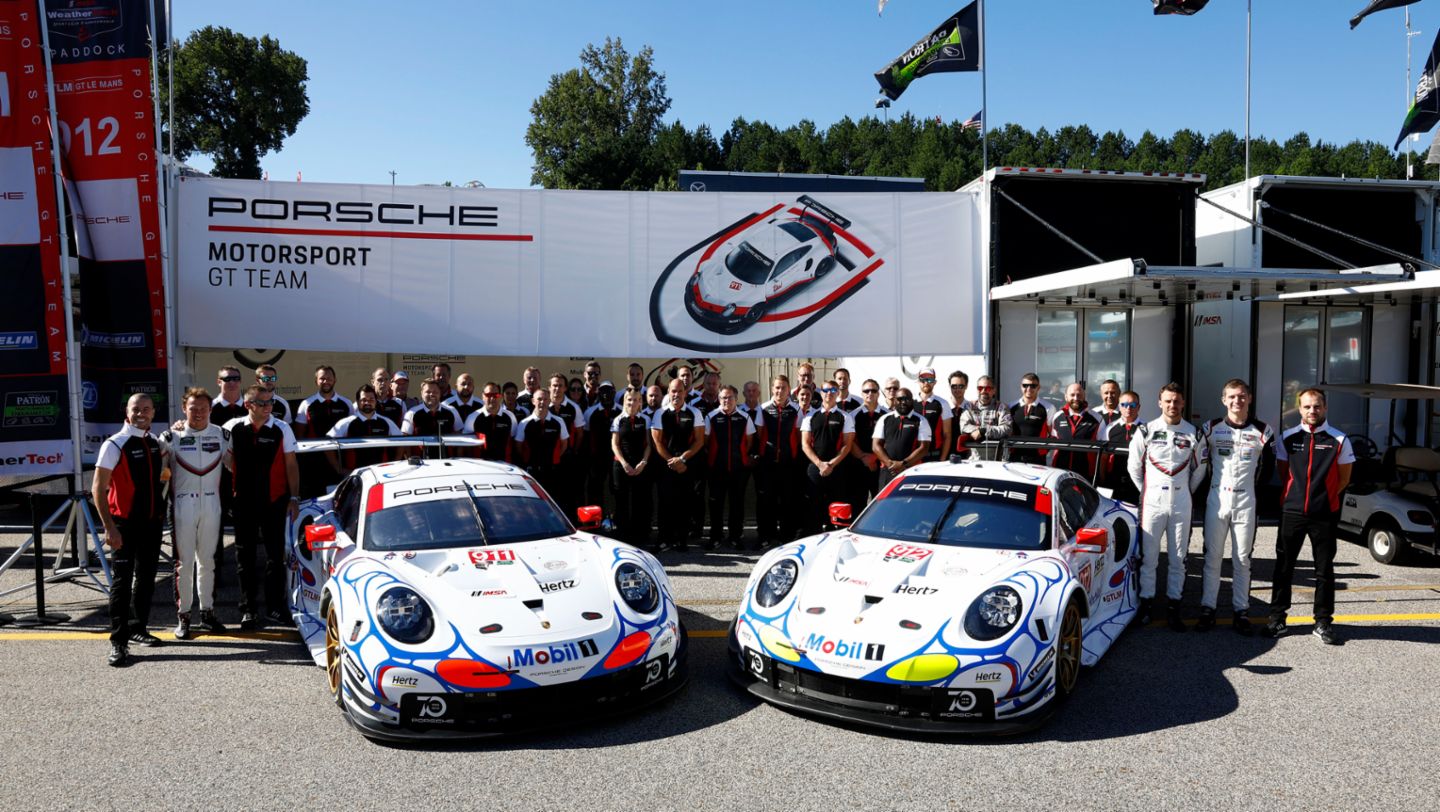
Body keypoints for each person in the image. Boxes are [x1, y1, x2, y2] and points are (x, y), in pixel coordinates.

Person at [1268, 388, 1354, 645]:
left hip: (1324, 514)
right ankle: (1277, 618)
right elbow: (1284, 474)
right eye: (1307, 407)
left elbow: (1344, 479)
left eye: (1316, 406)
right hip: (1292, 511)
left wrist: (1323, 499)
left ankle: (1323, 622)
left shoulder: (1339, 439)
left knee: (1324, 570)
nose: (1312, 411)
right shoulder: (1288, 437)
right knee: (1283, 567)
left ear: (1325, 408)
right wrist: (1295, 497)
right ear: (1300, 408)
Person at [1196, 378, 1275, 635]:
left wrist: (1257, 497)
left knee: (1242, 559)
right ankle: (1208, 608)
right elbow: (1199, 463)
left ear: (1249, 398)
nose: (1237, 401)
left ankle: (1241, 610)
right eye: (1232, 396)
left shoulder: (1264, 431)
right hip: (1217, 500)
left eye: (1242, 396)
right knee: (1212, 558)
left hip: (1246, 502)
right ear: (1223, 400)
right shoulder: (1210, 428)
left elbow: (1268, 469)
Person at [94, 394, 167, 665]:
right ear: (127, 411)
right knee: (123, 583)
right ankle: (118, 641)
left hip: (151, 523)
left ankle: (138, 629)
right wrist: (109, 527)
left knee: (146, 578)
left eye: (146, 409)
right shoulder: (115, 444)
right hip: (123, 524)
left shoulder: (154, 443)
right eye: (136, 409)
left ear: (153, 412)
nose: (141, 413)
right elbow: (97, 488)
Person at [1127, 383, 1203, 632]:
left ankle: (1174, 607)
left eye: (1177, 401)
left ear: (1183, 403)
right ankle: (1146, 605)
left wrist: (1185, 492)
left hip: (1182, 501)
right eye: (1168, 401)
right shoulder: (1146, 430)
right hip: (1152, 502)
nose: (1172, 405)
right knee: (1148, 558)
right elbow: (1133, 468)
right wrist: (1147, 489)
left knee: (1178, 558)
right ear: (1160, 402)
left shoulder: (1194, 433)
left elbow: (1200, 470)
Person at [225, 385, 301, 630]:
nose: (269, 408)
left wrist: (295, 497)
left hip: (275, 501)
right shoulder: (232, 427)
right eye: (263, 403)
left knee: (275, 556)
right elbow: (221, 456)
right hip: (243, 502)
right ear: (248, 405)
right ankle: (248, 609)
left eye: (271, 403)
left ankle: (275, 607)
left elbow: (291, 464)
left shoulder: (282, 428)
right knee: (244, 557)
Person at [160, 388, 232, 640]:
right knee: (184, 564)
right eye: (193, 408)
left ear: (210, 409)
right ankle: (184, 616)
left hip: (212, 504)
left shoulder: (223, 436)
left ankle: (208, 613)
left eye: (203, 408)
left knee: (208, 562)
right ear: (184, 409)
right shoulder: (170, 436)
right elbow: (159, 474)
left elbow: (236, 465)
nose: (198, 413)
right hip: (182, 505)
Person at [651, 379, 706, 551]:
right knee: (665, 503)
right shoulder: (660, 414)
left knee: (685, 503)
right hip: (665, 466)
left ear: (685, 393)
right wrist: (672, 461)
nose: (676, 394)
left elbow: (699, 441)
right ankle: (664, 538)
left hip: (687, 465)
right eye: (673, 391)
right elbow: (657, 442)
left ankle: (681, 540)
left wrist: (682, 459)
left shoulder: (694, 413)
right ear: (669, 392)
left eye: (679, 391)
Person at [209, 366, 247, 606]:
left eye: (235, 379)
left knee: (244, 527)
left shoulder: (250, 407)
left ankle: (246, 576)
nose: (231, 383)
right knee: (216, 527)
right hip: (216, 477)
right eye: (227, 379)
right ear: (218, 382)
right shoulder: (210, 409)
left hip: (244, 477)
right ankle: (215, 576)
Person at [704, 385, 755, 549]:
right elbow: (704, 442)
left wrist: (739, 457)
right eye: (724, 398)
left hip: (738, 469)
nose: (727, 400)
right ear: (719, 399)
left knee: (737, 504)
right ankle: (715, 537)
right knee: (715, 504)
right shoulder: (711, 417)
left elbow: (749, 442)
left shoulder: (744, 417)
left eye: (730, 397)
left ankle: (735, 536)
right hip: (715, 469)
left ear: (736, 399)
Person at [802, 381, 856, 533]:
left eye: (833, 390)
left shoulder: (845, 417)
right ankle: (814, 534)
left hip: (837, 468)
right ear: (821, 392)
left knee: (837, 504)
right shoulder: (810, 417)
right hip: (815, 468)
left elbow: (847, 445)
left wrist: (831, 464)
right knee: (814, 504)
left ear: (838, 393)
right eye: (825, 390)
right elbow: (805, 444)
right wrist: (820, 464)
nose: (829, 393)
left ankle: (837, 535)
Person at [294, 365, 354, 496]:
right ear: (316, 381)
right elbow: (299, 435)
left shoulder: (346, 403)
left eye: (329, 378)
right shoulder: (306, 404)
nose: (326, 381)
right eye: (322, 378)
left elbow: (352, 432)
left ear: (335, 380)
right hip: (315, 464)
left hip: (340, 462)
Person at [611, 386, 655, 548]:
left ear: (640, 402)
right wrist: (624, 464)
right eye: (629, 399)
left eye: (636, 399)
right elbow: (615, 445)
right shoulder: (618, 420)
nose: (632, 402)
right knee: (621, 502)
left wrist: (643, 463)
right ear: (624, 401)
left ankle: (640, 536)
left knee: (640, 501)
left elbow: (649, 445)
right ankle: (622, 536)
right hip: (621, 465)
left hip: (640, 466)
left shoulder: (645, 420)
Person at [327, 384, 401, 472]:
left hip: (381, 474)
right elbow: (327, 443)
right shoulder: (346, 423)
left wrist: (394, 464)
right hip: (355, 475)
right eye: (364, 400)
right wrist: (339, 469)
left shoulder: (386, 422)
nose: (367, 403)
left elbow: (402, 441)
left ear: (376, 401)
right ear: (358, 402)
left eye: (371, 399)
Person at [514, 389, 569, 500]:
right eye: (539, 399)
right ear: (533, 401)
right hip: (531, 470)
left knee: (552, 500)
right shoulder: (524, 423)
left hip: (552, 470)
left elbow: (564, 445)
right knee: (532, 500)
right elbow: (518, 447)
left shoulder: (558, 421)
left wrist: (553, 458)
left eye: (545, 399)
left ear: (549, 401)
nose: (542, 402)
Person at [873, 388, 931, 488]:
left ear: (912, 401)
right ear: (894, 400)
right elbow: (876, 445)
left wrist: (903, 464)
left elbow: (924, 448)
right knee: (885, 503)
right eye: (900, 399)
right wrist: (891, 465)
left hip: (911, 471)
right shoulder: (884, 419)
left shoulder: (921, 420)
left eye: (907, 399)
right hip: (888, 471)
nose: (903, 402)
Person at [548, 372, 586, 514]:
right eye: (554, 385)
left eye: (560, 386)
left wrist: (574, 451)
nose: (557, 389)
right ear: (549, 387)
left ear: (565, 388)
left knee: (568, 494)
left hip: (567, 458)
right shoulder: (544, 406)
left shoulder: (573, 408)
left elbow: (580, 432)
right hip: (548, 458)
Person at [847, 379, 887, 507]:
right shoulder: (853, 415)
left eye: (874, 390)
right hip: (859, 464)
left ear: (878, 393)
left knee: (880, 502)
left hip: (880, 465)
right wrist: (864, 457)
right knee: (858, 503)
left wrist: (874, 458)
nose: (870, 393)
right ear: (862, 393)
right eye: (866, 391)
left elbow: (889, 441)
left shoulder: (887, 415)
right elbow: (850, 440)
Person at [1049, 383, 1102, 477]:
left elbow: (1103, 450)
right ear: (1066, 397)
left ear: (1084, 396)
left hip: (1085, 474)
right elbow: (1053, 445)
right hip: (1060, 472)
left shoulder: (1097, 418)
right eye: (1072, 395)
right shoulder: (1057, 417)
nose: (1076, 398)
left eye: (1079, 395)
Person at [582, 381, 620, 509]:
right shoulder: (590, 412)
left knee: (617, 489)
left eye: (609, 391)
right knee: (595, 490)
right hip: (597, 459)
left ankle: (618, 521)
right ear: (598, 393)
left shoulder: (622, 411)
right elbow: (586, 436)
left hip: (617, 459)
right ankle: (595, 522)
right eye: (603, 391)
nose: (606, 395)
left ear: (614, 392)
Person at [1102, 391, 1144, 505]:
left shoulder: (1146, 429)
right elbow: (1103, 457)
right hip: (1113, 481)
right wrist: (1102, 480)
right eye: (1124, 405)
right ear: (1119, 407)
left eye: (1132, 405)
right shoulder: (1110, 428)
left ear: (1138, 407)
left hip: (1137, 482)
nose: (1128, 408)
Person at [958, 375, 1013, 461]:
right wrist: (979, 430)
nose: (983, 391)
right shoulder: (969, 406)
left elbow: (1007, 429)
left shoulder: (1001, 407)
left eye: (988, 388)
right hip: (974, 459)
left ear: (993, 390)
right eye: (980, 388)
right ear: (977, 390)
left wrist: (983, 431)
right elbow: (964, 427)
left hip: (997, 459)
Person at [464, 381, 518, 463]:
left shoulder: (510, 417)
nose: (492, 398)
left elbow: (514, 442)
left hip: (505, 465)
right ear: (483, 396)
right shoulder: (473, 417)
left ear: (500, 396)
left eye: (495, 395)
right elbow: (466, 446)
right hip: (481, 465)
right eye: (488, 395)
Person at [1009, 372, 1051, 464]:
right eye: (1025, 385)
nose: (1029, 389)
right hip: (1015, 456)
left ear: (1038, 387)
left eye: (1033, 386)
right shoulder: (1011, 406)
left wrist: (1044, 451)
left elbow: (1052, 434)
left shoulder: (1049, 407)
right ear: (1021, 387)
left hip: (1038, 458)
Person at [915, 368, 952, 463]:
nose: (926, 382)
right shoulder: (911, 403)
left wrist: (942, 459)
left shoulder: (943, 404)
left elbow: (947, 435)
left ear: (935, 382)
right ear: (918, 381)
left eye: (930, 380)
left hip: (934, 456)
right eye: (923, 380)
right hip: (913, 457)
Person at [947, 370, 971, 457]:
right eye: (954, 386)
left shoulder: (972, 408)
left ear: (966, 386)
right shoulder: (942, 407)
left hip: (967, 456)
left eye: (961, 386)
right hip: (945, 456)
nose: (957, 389)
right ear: (949, 386)